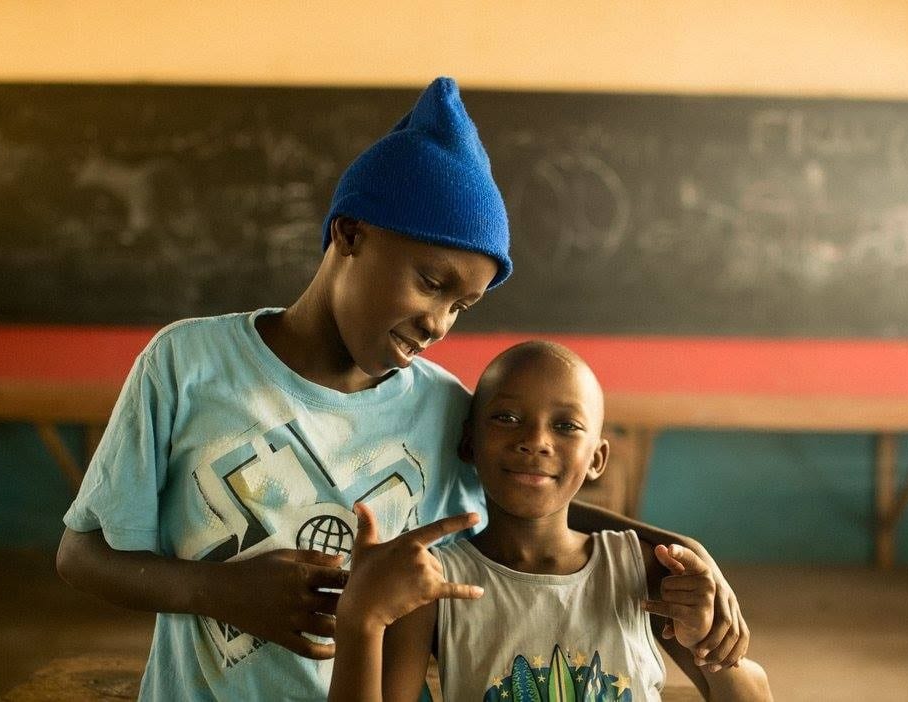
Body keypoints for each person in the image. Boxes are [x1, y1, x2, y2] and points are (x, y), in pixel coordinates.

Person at [56, 77, 748, 701]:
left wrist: (680, 549)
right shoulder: (189, 362)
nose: (439, 322)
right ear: (351, 233)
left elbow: (534, 500)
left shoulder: (443, 408)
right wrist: (220, 592)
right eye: (432, 282)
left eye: (462, 307)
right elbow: (80, 556)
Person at [330, 341, 771, 701]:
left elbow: (751, 694)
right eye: (506, 418)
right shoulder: (436, 584)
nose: (535, 441)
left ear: (597, 458)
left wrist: (707, 647)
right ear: (470, 444)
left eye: (565, 426)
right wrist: (361, 618)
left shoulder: (642, 568)